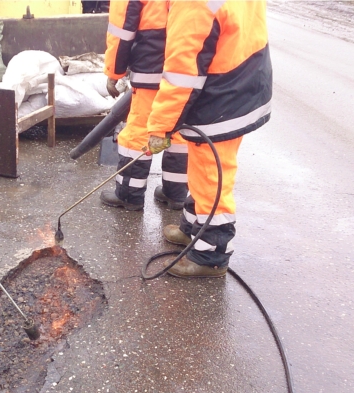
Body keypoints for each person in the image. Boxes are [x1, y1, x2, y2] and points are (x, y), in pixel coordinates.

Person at [146, 0, 272, 277]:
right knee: (202, 170)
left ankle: (210, 256)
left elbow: (182, 74)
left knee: (211, 178)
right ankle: (192, 229)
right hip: (240, 84)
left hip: (220, 96)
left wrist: (160, 127)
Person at [101, 0, 188, 211]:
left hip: (152, 66)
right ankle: (175, 194)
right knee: (179, 131)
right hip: (186, 68)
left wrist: (114, 72)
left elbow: (122, 28)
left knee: (139, 130)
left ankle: (129, 195)